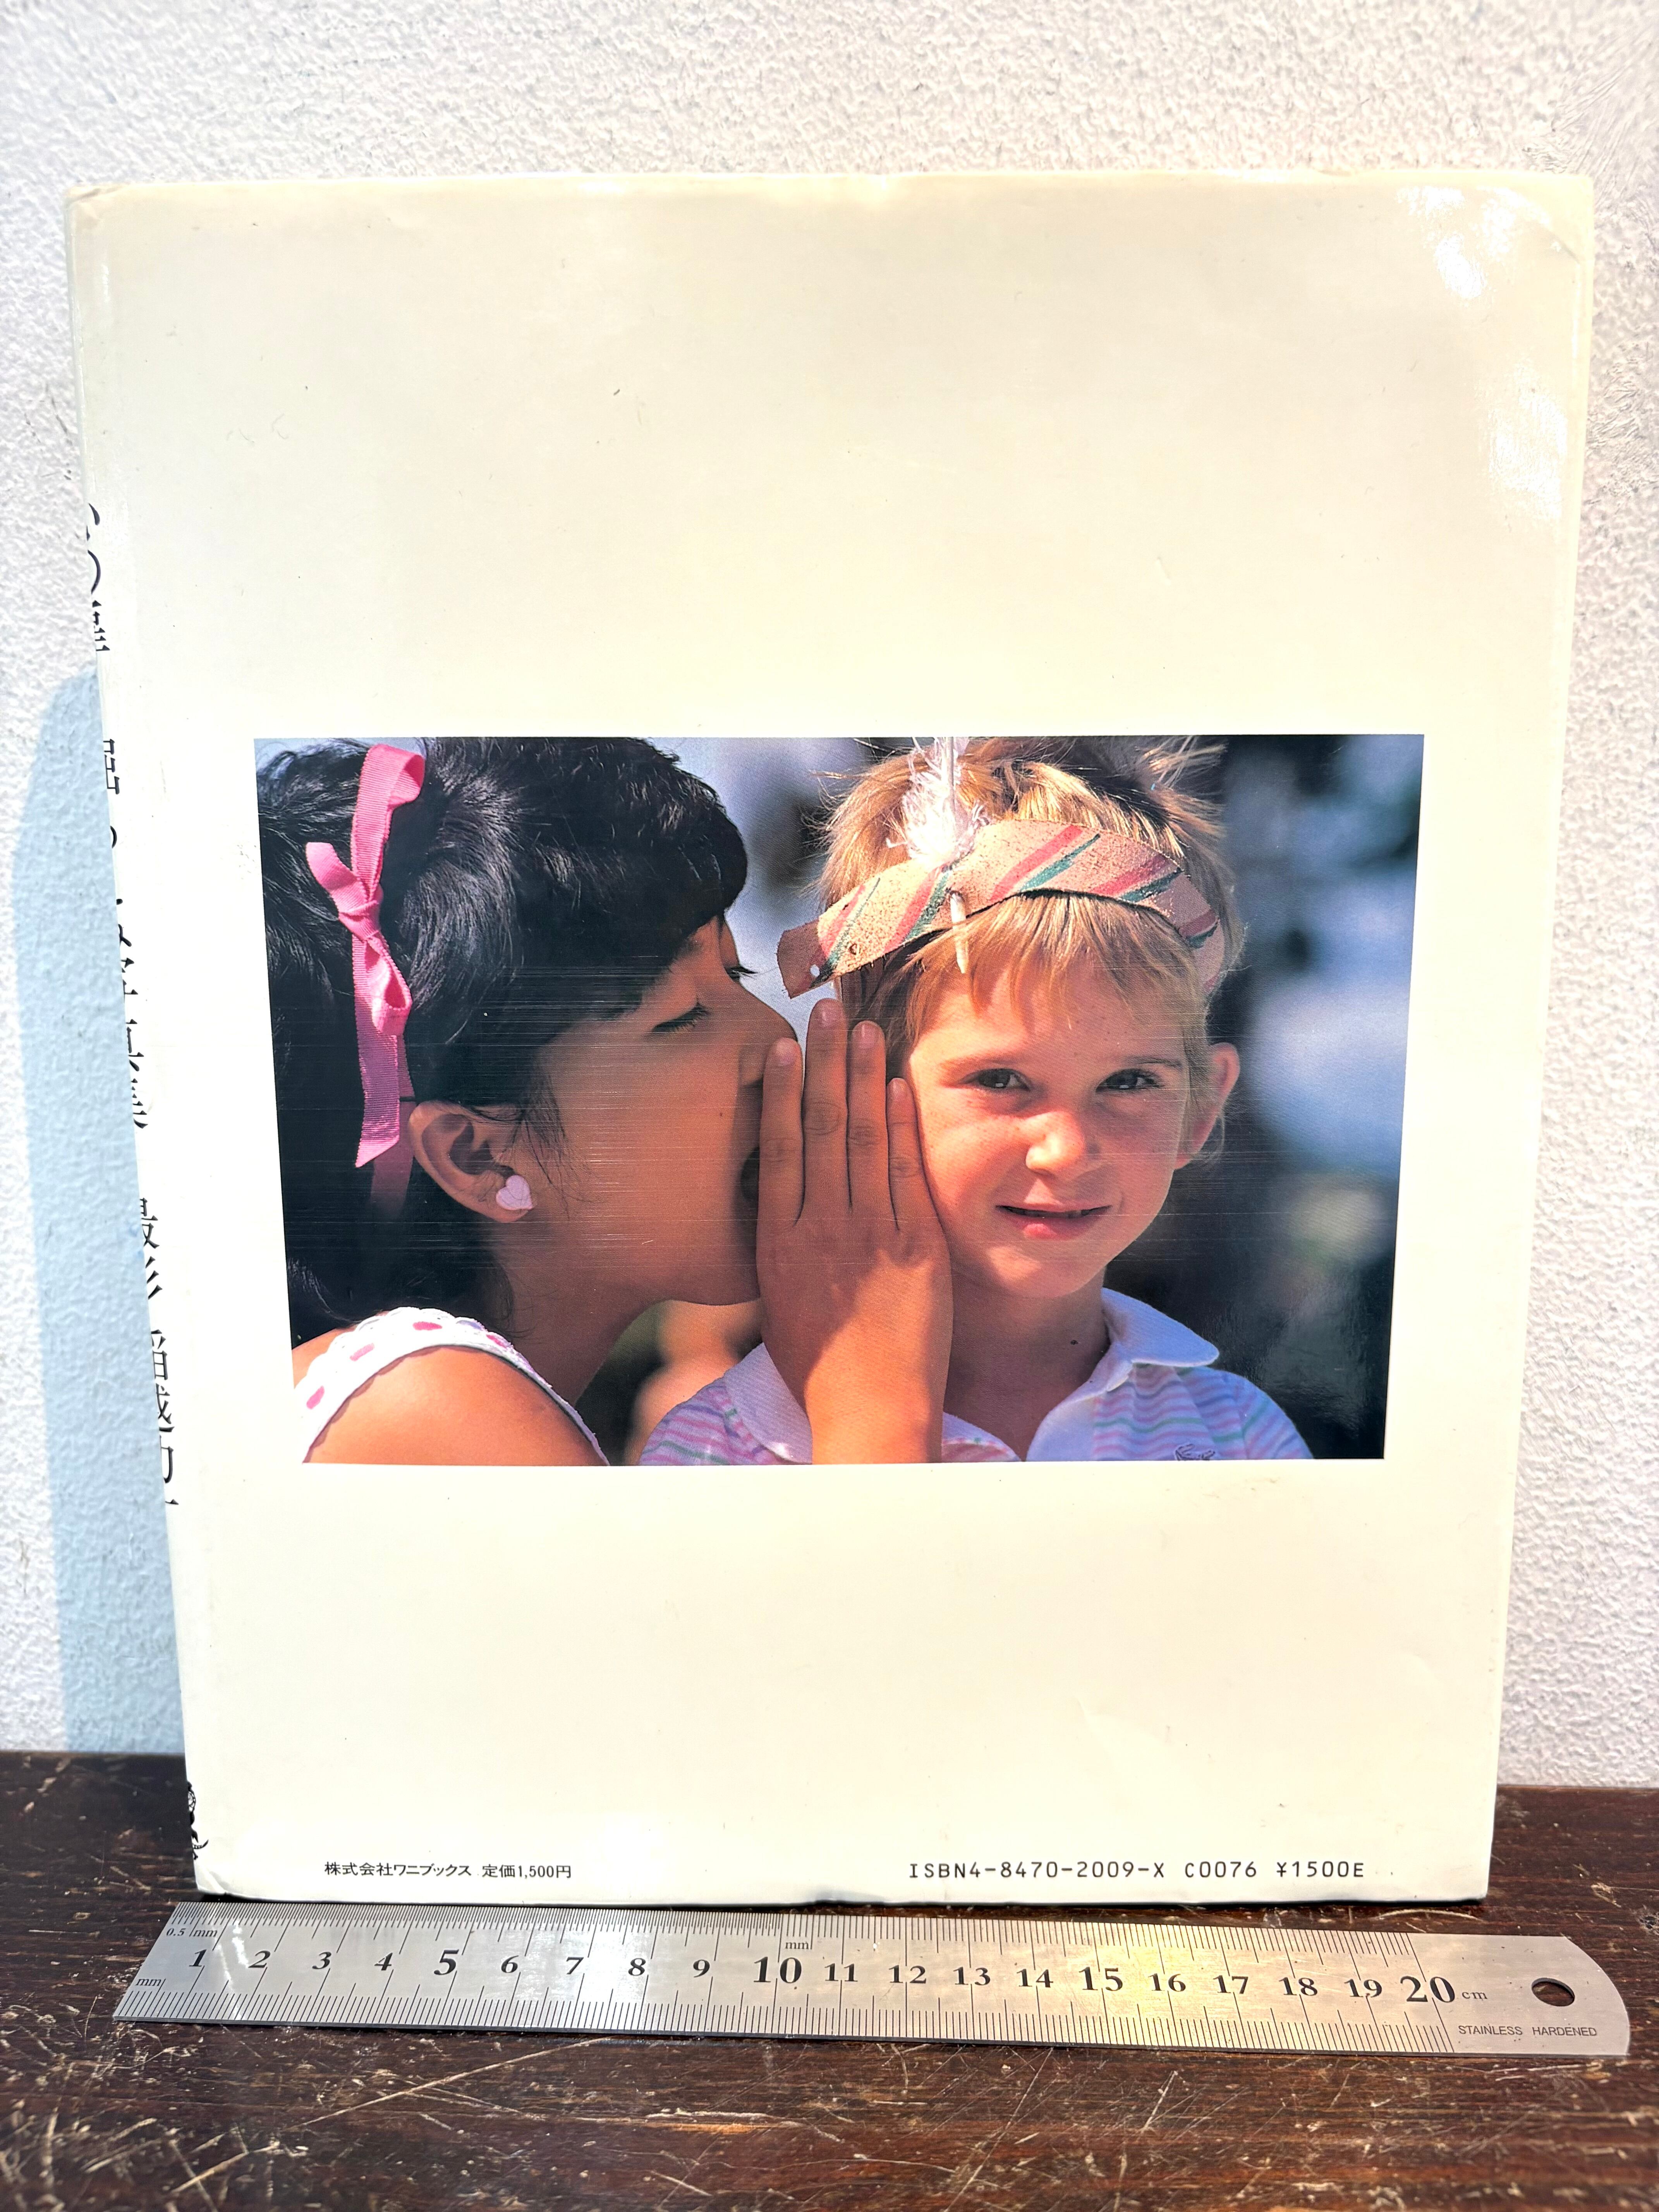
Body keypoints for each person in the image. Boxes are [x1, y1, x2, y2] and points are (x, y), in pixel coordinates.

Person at [268, 738, 948, 1465]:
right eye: (683, 1016)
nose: (775, 1039)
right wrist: (876, 1396)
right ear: (478, 1156)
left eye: (735, 973)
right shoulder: (428, 1397)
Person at [642, 736, 1310, 1464]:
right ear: (862, 1089)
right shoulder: (723, 1447)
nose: (1066, 1150)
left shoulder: (1239, 1436)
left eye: (1129, 1082)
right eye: (999, 1080)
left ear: (1202, 1108)